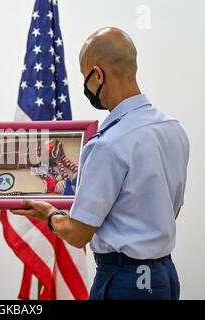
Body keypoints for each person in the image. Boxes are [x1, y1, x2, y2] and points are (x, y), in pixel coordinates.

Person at [11, 27, 189, 300]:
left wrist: (50, 214)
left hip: (125, 281)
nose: (87, 88)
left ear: (98, 75)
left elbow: (78, 234)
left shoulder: (107, 144)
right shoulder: (173, 129)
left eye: (85, 79)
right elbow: (171, 210)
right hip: (165, 275)